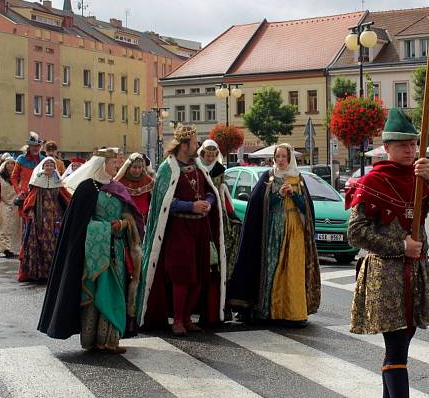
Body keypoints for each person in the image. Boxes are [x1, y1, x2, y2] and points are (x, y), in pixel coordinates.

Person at [346, 108, 429, 398]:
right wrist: (400, 247)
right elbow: (355, 232)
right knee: (396, 350)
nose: (409, 151)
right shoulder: (372, 182)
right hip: (385, 276)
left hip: (416, 275)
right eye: (402, 146)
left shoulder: (420, 178)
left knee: (400, 348)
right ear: (387, 148)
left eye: (412, 145)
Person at [39, 148, 143, 353]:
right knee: (95, 295)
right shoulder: (87, 189)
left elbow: (130, 216)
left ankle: (110, 339)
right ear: (101, 164)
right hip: (93, 253)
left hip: (117, 250)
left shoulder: (118, 188)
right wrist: (104, 228)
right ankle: (91, 338)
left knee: (116, 291)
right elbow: (78, 225)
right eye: (113, 163)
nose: (116, 166)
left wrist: (122, 224)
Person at [136, 124, 226, 336]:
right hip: (179, 229)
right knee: (182, 275)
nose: (197, 146)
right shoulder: (167, 169)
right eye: (195, 143)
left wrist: (208, 202)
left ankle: (187, 317)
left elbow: (209, 190)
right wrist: (190, 206)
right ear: (184, 146)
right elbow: (164, 203)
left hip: (200, 228)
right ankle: (176, 319)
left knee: (200, 275)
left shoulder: (198, 166)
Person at [227, 143, 321, 325]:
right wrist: (278, 195)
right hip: (272, 231)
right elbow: (258, 205)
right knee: (272, 269)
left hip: (295, 232)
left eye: (283, 157)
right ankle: (269, 311)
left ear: (290, 158)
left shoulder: (298, 178)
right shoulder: (268, 177)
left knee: (293, 271)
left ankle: (294, 312)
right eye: (277, 157)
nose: (280, 160)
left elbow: (306, 209)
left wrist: (293, 195)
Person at [18, 157, 71, 282]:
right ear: (43, 167)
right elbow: (31, 199)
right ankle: (39, 272)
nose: (49, 167)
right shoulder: (38, 180)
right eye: (46, 165)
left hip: (55, 217)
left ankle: (53, 273)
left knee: (54, 242)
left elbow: (65, 196)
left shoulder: (57, 180)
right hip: (40, 217)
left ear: (54, 168)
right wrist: (30, 211)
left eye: (51, 165)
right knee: (40, 242)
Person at [197, 140, 242, 279]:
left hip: (217, 210)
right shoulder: (197, 168)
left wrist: (230, 211)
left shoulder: (219, 170)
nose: (210, 158)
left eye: (213, 155)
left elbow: (223, 191)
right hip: (201, 208)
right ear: (202, 154)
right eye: (208, 155)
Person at [0, 155, 21, 258]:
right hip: (4, 205)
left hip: (16, 206)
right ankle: (5, 248)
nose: (10, 165)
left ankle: (13, 248)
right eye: (8, 163)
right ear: (5, 165)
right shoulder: (1, 177)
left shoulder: (18, 177)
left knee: (15, 228)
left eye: (12, 163)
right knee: (3, 227)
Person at [114, 153, 154, 228]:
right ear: (129, 167)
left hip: (146, 221)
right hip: (128, 222)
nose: (137, 170)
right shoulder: (121, 182)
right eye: (134, 167)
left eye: (140, 167)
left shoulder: (148, 180)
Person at [11, 132, 44, 200]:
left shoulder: (43, 160)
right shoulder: (21, 158)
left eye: (38, 146)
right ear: (29, 146)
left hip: (40, 194)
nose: (36, 148)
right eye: (33, 145)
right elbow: (14, 177)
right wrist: (18, 192)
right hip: (24, 195)